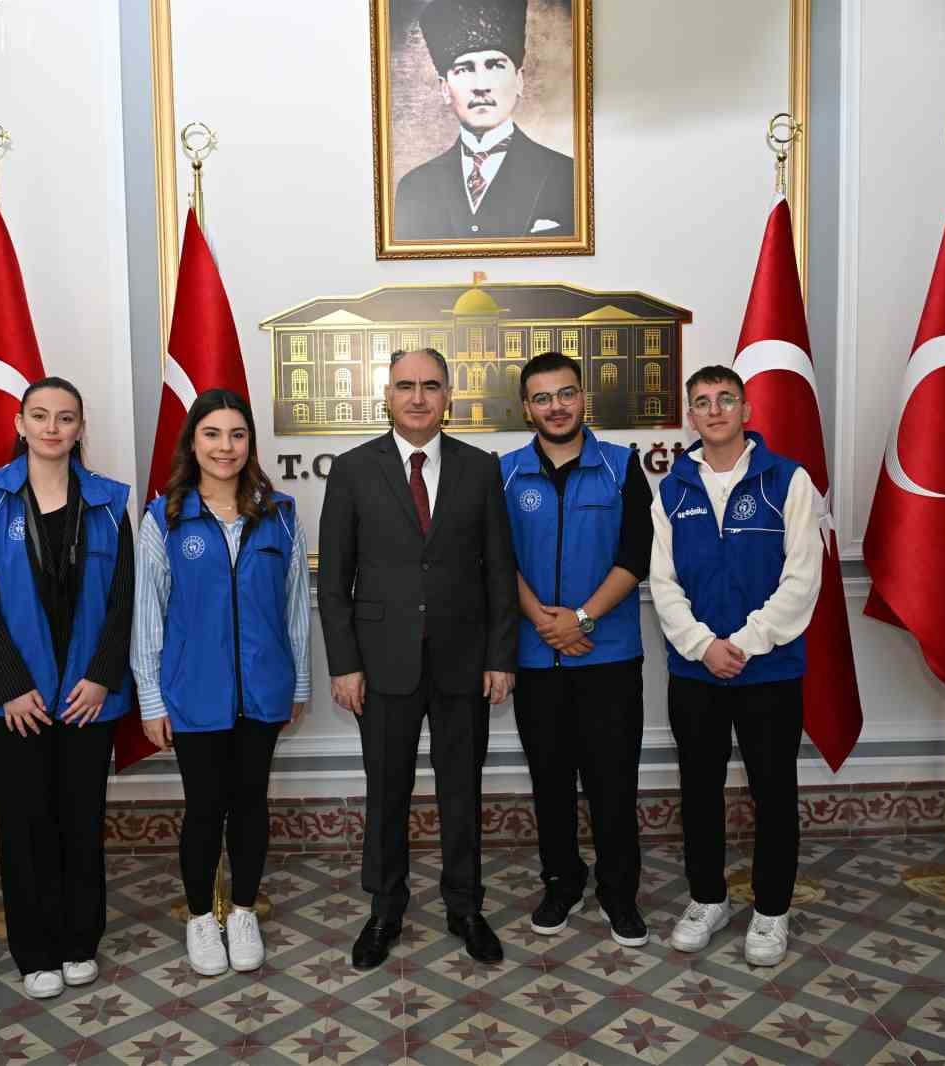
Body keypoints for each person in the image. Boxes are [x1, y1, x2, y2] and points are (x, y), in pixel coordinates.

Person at [318, 347, 518, 971]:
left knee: (462, 790)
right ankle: (385, 910)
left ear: (448, 397)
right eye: (405, 385)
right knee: (387, 791)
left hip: (464, 661)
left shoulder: (479, 468)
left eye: (431, 386)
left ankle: (465, 907)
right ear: (387, 396)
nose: (418, 397)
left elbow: (499, 570)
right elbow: (334, 581)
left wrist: (500, 656)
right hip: (381, 664)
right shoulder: (353, 470)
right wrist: (344, 664)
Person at [0, 376, 135, 1000]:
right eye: (40, 416)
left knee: (81, 820)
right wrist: (9, 685)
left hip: (87, 696)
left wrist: (101, 676)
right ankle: (34, 952)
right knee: (25, 823)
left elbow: (124, 599)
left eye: (65, 417)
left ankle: (80, 941)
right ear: (20, 423)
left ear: (81, 428)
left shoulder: (110, 501)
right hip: (16, 702)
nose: (52, 428)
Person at [131, 389, 310, 977]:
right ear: (193, 442)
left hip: (264, 687)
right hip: (193, 692)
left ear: (250, 443)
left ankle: (243, 911)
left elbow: (294, 607)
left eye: (237, 434)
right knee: (205, 807)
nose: (225, 447)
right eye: (212, 434)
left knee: (251, 803)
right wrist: (151, 698)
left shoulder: (280, 514)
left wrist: (299, 684)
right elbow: (148, 614)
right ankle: (201, 918)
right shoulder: (164, 518)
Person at [650, 366, 821, 967]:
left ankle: (772, 910)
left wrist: (744, 643)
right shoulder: (673, 489)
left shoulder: (788, 480)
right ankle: (708, 898)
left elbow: (802, 578)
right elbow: (663, 583)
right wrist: (704, 646)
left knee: (773, 792)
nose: (715, 409)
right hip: (696, 673)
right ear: (690, 417)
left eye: (726, 399)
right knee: (699, 791)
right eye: (702, 402)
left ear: (746, 409)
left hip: (768, 672)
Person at [499, 353, 653, 947]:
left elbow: (635, 554)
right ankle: (562, 881)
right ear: (526, 408)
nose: (556, 406)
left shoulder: (621, 466)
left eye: (566, 394)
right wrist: (543, 620)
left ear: (583, 397)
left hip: (608, 656)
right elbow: (497, 558)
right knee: (551, 781)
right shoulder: (505, 474)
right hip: (538, 657)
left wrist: (582, 618)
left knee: (614, 781)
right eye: (542, 398)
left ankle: (619, 892)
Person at [394, 0, 575, 241]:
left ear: (519, 81)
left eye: (495, 66)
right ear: (445, 89)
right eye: (464, 69)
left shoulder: (567, 176)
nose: (481, 86)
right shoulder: (415, 187)